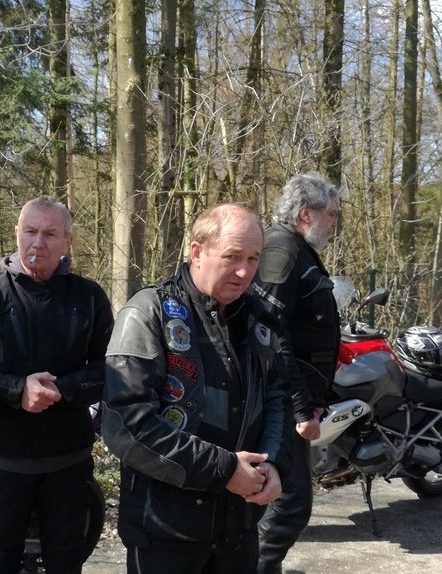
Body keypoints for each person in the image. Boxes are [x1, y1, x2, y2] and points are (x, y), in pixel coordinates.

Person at [102, 203, 292, 574]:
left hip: (239, 527)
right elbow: (125, 424)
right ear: (197, 252)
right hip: (165, 530)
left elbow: (278, 399)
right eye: (232, 256)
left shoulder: (260, 320)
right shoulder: (148, 313)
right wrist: (225, 470)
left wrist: (275, 462)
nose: (244, 271)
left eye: (253, 259)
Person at [0, 196, 113, 574]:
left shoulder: (89, 297)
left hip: (69, 460)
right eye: (31, 231)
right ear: (16, 234)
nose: (39, 242)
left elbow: (110, 368)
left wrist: (65, 391)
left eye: (50, 234)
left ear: (68, 241)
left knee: (66, 560)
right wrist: (15, 390)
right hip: (0, 461)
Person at [250, 173, 340, 574]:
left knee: (282, 498)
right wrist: (302, 406)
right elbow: (270, 334)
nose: (335, 222)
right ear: (306, 213)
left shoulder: (298, 249)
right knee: (290, 503)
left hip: (292, 397)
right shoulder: (281, 251)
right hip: (280, 400)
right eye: (331, 214)